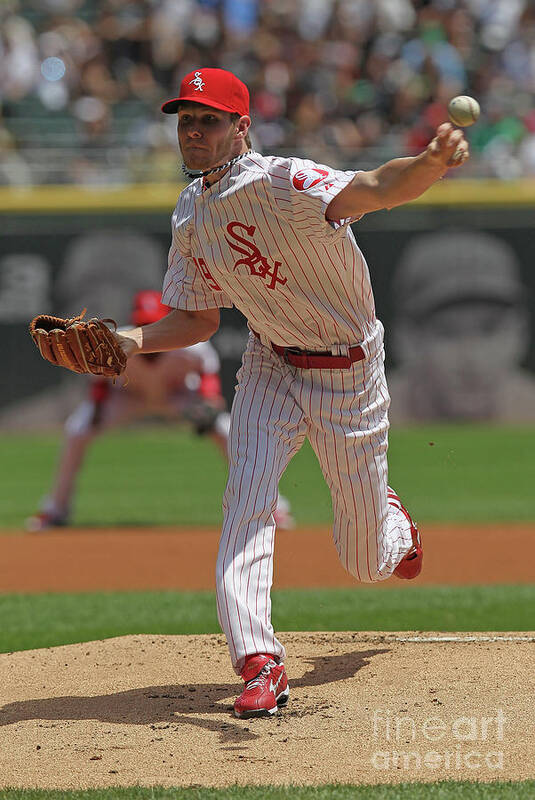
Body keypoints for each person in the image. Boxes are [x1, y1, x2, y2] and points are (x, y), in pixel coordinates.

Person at [110, 68, 469, 719]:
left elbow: (379, 187)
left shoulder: (285, 181)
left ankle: (391, 521)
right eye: (185, 120)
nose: (193, 131)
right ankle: (259, 661)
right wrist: (129, 339)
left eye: (208, 119)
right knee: (245, 501)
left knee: (364, 561)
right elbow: (196, 319)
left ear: (240, 127)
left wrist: (432, 161)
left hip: (349, 374)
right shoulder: (191, 213)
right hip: (269, 363)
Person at [26, 289, 295, 533]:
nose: (145, 325)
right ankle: (54, 511)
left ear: (164, 319)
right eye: (142, 321)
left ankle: (274, 508)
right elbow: (99, 384)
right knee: (77, 429)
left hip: (177, 396)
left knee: (225, 430)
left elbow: (208, 371)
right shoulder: (119, 342)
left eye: (151, 321)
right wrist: (97, 409)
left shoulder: (189, 345)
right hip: (129, 397)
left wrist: (209, 401)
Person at [386, 230, 535, 422]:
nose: (473, 360)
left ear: (520, 332)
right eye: (447, 333)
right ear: (406, 340)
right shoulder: (363, 420)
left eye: (489, 330)